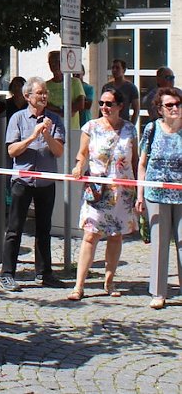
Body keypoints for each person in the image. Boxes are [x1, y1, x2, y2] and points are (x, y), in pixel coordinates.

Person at [68, 87, 138, 301]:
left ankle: (109, 281)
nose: (104, 108)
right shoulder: (90, 127)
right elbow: (82, 154)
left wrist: (137, 189)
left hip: (122, 190)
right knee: (90, 235)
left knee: (116, 236)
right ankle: (78, 286)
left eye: (109, 104)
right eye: (101, 103)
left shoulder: (130, 130)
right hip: (98, 190)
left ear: (120, 106)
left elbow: (134, 160)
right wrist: (78, 167)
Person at [0, 77, 67, 291]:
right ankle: (7, 273)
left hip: (46, 182)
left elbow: (58, 151)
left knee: (44, 229)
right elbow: (12, 151)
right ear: (28, 96)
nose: (44, 96)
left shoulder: (55, 120)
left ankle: (45, 273)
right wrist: (33, 136)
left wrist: (46, 134)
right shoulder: (18, 119)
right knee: (15, 228)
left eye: (45, 92)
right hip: (23, 180)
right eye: (39, 93)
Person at [136, 87, 182, 310]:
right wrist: (140, 194)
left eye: (178, 104)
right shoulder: (151, 129)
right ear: (159, 109)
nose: (175, 108)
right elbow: (142, 163)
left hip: (181, 196)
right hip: (156, 195)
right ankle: (158, 292)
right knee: (159, 243)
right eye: (169, 105)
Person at [46, 50, 85, 130]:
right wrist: (65, 111)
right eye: (51, 62)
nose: (54, 64)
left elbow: (80, 104)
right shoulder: (46, 85)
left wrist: (56, 110)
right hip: (53, 130)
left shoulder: (75, 82)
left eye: (57, 61)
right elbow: (46, 106)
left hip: (72, 129)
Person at [102, 59, 140, 123]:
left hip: (123, 123)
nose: (114, 70)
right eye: (113, 68)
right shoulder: (106, 87)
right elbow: (102, 105)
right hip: (108, 123)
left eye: (117, 68)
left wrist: (131, 126)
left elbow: (136, 109)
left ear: (124, 70)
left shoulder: (131, 88)